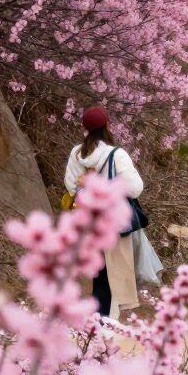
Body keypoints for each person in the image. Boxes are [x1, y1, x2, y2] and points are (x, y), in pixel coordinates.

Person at [63, 106, 144, 321]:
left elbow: (71, 186)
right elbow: (135, 188)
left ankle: (96, 321)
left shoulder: (76, 153)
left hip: (87, 220)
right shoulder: (116, 155)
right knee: (114, 275)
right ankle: (105, 324)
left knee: (98, 274)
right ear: (107, 126)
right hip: (112, 223)